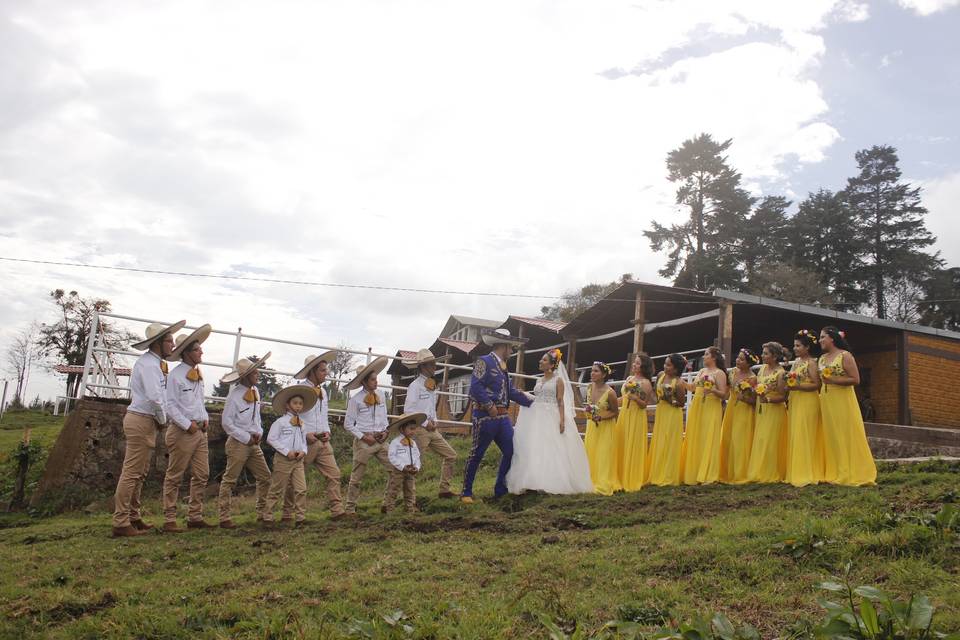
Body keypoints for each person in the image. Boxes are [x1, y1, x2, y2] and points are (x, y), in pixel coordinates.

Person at [112, 319, 186, 538]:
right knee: (132, 471)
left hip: (145, 420)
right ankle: (121, 520)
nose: (173, 346)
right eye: (169, 341)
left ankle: (132, 516)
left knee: (139, 473)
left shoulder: (153, 364)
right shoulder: (150, 365)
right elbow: (155, 397)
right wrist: (163, 419)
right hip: (142, 419)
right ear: (158, 343)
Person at [505, 348, 593, 495]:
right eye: (541, 359)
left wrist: (562, 420)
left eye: (544, 360)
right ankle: (533, 480)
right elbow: (539, 398)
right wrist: (525, 394)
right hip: (537, 416)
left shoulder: (558, 380)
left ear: (552, 365)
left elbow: (560, 401)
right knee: (536, 447)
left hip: (551, 416)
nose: (540, 362)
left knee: (551, 447)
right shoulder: (539, 380)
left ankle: (552, 481)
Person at [461, 328, 533, 503]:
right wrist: (488, 404)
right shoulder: (483, 361)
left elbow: (510, 392)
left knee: (511, 451)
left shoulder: (503, 366)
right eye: (511, 348)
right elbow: (475, 387)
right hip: (485, 416)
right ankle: (466, 492)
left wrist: (533, 402)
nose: (512, 351)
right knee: (477, 453)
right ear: (504, 346)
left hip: (503, 418)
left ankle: (500, 489)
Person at [161, 324, 214, 533]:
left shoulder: (198, 375)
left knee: (202, 474)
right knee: (175, 475)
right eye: (197, 349)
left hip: (200, 431)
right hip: (184, 431)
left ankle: (195, 515)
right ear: (187, 353)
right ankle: (169, 518)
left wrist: (205, 418)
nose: (201, 352)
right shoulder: (175, 376)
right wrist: (187, 424)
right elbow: (170, 405)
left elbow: (198, 402)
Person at [286, 353, 346, 520]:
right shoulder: (300, 391)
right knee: (295, 479)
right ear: (312, 371)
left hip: (322, 440)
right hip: (305, 442)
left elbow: (323, 415)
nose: (325, 373)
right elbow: (291, 417)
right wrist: (305, 434)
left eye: (326, 370)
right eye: (322, 370)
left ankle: (337, 510)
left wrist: (327, 432)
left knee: (334, 474)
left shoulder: (323, 392)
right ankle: (287, 513)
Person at [217, 353, 274, 529]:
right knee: (230, 480)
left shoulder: (255, 391)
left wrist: (259, 432)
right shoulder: (234, 396)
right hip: (238, 443)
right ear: (246, 376)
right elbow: (227, 423)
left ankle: (261, 512)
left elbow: (256, 418)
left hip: (253, 443)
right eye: (255, 373)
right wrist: (246, 437)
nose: (258, 375)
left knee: (265, 477)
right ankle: (224, 517)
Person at [818, 326, 877, 486]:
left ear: (832, 338)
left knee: (846, 433)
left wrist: (834, 381)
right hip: (826, 399)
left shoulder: (845, 355)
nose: (820, 340)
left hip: (843, 399)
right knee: (831, 435)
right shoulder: (822, 359)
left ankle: (852, 471)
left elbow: (855, 379)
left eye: (823, 337)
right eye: (820, 337)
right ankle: (835, 471)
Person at [402, 349, 458, 498]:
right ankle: (408, 500)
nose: (435, 367)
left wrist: (435, 421)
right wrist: (426, 423)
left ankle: (444, 489)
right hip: (420, 429)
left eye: (434, 364)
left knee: (451, 455)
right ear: (423, 367)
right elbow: (409, 410)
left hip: (432, 429)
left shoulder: (431, 385)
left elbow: (431, 407)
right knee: (413, 464)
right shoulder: (415, 386)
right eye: (432, 364)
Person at [343, 356, 393, 515]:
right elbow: (348, 424)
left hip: (380, 439)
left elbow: (384, 417)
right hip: (364, 440)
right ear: (364, 382)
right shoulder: (355, 400)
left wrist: (385, 431)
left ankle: (388, 503)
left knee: (395, 467)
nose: (376, 382)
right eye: (372, 380)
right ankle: (350, 508)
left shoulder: (381, 395)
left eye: (376, 379)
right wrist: (363, 437)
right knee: (357, 475)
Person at [262, 384, 316, 527]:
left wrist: (304, 451)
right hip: (283, 460)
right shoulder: (280, 422)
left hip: (298, 460)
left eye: (300, 404)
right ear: (287, 405)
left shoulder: (302, 424)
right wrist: (287, 451)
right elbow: (271, 439)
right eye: (295, 403)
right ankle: (267, 516)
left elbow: (304, 442)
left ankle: (300, 517)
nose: (298, 406)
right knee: (277, 488)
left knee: (301, 488)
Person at [680, 347, 728, 485]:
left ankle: (708, 473)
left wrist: (712, 389)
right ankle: (695, 471)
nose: (704, 356)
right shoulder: (701, 371)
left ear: (714, 357)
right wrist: (680, 380)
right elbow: (692, 388)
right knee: (697, 436)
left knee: (709, 437)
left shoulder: (719, 373)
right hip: (698, 406)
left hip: (712, 407)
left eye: (706, 354)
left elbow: (723, 394)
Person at [784, 330, 824, 487]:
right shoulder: (796, 363)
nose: (795, 348)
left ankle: (807, 471)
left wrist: (798, 386)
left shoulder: (811, 363)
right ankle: (796, 470)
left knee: (805, 433)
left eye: (798, 346)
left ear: (807, 347)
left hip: (808, 401)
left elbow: (816, 384)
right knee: (796, 433)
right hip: (796, 400)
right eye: (794, 345)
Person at [747, 342, 789, 483]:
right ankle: (760, 470)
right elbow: (758, 386)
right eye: (763, 352)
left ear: (775, 356)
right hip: (761, 408)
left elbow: (784, 396)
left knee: (771, 439)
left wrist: (768, 399)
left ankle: (771, 472)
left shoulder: (781, 373)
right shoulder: (763, 369)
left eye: (765, 353)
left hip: (774, 409)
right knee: (761, 438)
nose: (762, 356)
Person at [646, 353, 689, 486]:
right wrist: (661, 397)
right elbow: (655, 390)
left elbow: (681, 403)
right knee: (659, 441)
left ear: (676, 369)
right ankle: (656, 473)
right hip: (661, 412)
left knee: (670, 442)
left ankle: (668, 475)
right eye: (665, 363)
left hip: (672, 414)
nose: (665, 366)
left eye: (668, 365)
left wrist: (669, 399)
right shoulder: (660, 375)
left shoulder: (680, 383)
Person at [719, 348, 758, 484]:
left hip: (744, 410)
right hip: (731, 408)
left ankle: (741, 473)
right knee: (728, 438)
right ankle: (727, 473)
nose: (737, 361)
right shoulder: (732, 372)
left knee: (740, 440)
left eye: (741, 359)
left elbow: (754, 399)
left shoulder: (753, 378)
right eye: (738, 358)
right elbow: (726, 391)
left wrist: (745, 397)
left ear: (748, 363)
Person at [582, 361, 622, 495]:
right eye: (592, 370)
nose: (592, 373)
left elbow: (615, 412)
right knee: (591, 452)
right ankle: (589, 480)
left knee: (603, 454)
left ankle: (603, 482)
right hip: (592, 427)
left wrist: (601, 418)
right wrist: (588, 411)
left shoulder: (610, 393)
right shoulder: (589, 387)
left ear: (604, 374)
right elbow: (588, 404)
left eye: (596, 371)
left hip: (605, 427)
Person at [618, 353, 655, 492]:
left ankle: (632, 477)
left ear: (643, 367)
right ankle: (620, 476)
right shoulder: (629, 379)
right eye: (634, 362)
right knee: (622, 443)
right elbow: (622, 398)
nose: (634, 365)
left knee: (632, 444)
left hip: (636, 416)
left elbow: (644, 404)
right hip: (624, 415)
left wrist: (635, 397)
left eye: (638, 363)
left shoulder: (646, 383)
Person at [384, 413, 425, 513]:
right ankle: (389, 508)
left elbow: (417, 456)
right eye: (410, 428)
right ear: (402, 429)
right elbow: (392, 456)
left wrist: (416, 467)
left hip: (410, 470)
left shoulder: (413, 443)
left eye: (414, 428)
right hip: (398, 470)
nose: (413, 431)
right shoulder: (395, 442)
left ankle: (409, 508)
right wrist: (402, 467)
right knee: (394, 489)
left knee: (410, 490)